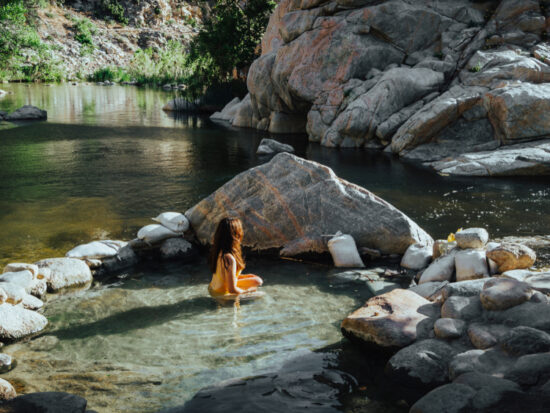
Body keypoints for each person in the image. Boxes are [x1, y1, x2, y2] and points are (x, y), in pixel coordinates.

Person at [208, 217, 263, 296]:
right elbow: (232, 290)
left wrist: (245, 277)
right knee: (257, 284)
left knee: (257, 280)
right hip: (222, 294)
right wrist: (248, 291)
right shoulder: (229, 258)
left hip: (213, 288)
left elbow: (224, 276)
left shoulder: (218, 251)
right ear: (236, 235)